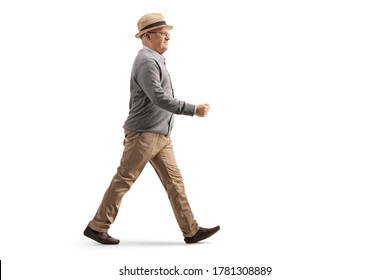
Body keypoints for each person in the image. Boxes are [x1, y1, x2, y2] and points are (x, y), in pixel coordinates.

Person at [83, 13, 220, 244]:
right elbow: (158, 97)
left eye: (168, 33)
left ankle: (191, 230)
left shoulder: (155, 59)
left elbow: (141, 101)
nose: (168, 36)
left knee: (175, 183)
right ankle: (97, 227)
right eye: (162, 33)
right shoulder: (147, 61)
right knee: (124, 180)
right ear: (146, 36)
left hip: (160, 135)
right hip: (145, 134)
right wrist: (193, 109)